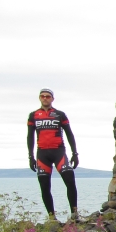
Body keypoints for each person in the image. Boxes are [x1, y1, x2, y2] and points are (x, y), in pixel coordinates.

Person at [27, 88, 80, 221]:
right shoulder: (33, 115)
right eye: (42, 96)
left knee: (70, 181)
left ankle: (74, 215)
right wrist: (30, 156)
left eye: (48, 96)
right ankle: (52, 218)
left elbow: (69, 134)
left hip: (59, 152)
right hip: (42, 154)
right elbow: (30, 137)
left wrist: (75, 153)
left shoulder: (60, 114)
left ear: (52, 99)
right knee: (45, 187)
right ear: (39, 98)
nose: (45, 98)